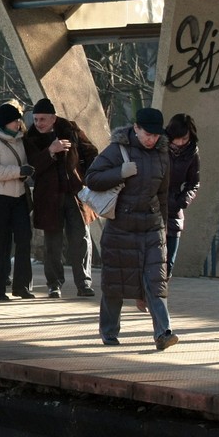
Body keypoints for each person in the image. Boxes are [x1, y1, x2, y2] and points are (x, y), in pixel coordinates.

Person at [85, 107, 178, 351]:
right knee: (115, 283)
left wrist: (165, 231)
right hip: (121, 228)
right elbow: (92, 178)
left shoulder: (162, 154)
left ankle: (163, 333)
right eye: (148, 134)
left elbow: (163, 194)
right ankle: (109, 333)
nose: (152, 139)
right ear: (136, 128)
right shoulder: (118, 149)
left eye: (156, 135)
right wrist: (119, 173)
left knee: (156, 283)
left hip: (151, 227)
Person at [24, 98, 99, 298]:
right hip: (48, 198)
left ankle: (83, 283)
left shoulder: (71, 130)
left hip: (75, 195)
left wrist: (86, 177)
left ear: (54, 118)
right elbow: (32, 168)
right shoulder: (30, 138)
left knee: (81, 239)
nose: (38, 123)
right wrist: (50, 151)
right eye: (36, 119)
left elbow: (91, 152)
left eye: (43, 119)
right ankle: (54, 284)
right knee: (52, 244)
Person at [0, 102, 35, 301]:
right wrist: (19, 172)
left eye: (19, 120)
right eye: (15, 121)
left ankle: (22, 286)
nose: (18, 124)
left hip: (18, 196)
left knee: (24, 239)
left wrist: (24, 173)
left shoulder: (20, 141)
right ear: (4, 122)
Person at [164, 113, 200, 279]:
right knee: (152, 260)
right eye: (176, 138)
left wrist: (183, 200)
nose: (179, 143)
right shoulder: (158, 147)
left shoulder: (192, 153)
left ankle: (157, 296)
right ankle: (150, 297)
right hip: (153, 206)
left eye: (184, 139)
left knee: (168, 262)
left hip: (174, 208)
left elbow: (194, 183)